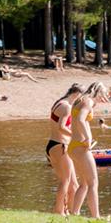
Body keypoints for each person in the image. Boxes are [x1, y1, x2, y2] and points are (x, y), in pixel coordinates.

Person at [68, 82, 110, 218]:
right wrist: (88, 137)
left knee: (84, 183)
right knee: (93, 182)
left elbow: (78, 120)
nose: (102, 98)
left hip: (73, 146)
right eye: (102, 95)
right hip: (80, 146)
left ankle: (75, 213)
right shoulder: (88, 101)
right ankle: (96, 216)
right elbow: (80, 120)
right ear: (97, 92)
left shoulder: (79, 100)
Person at [47, 84, 85, 215]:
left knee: (73, 184)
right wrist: (76, 137)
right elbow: (61, 127)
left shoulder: (59, 102)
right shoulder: (67, 106)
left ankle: (69, 211)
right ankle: (59, 211)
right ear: (77, 94)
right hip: (61, 145)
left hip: (53, 145)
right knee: (65, 181)